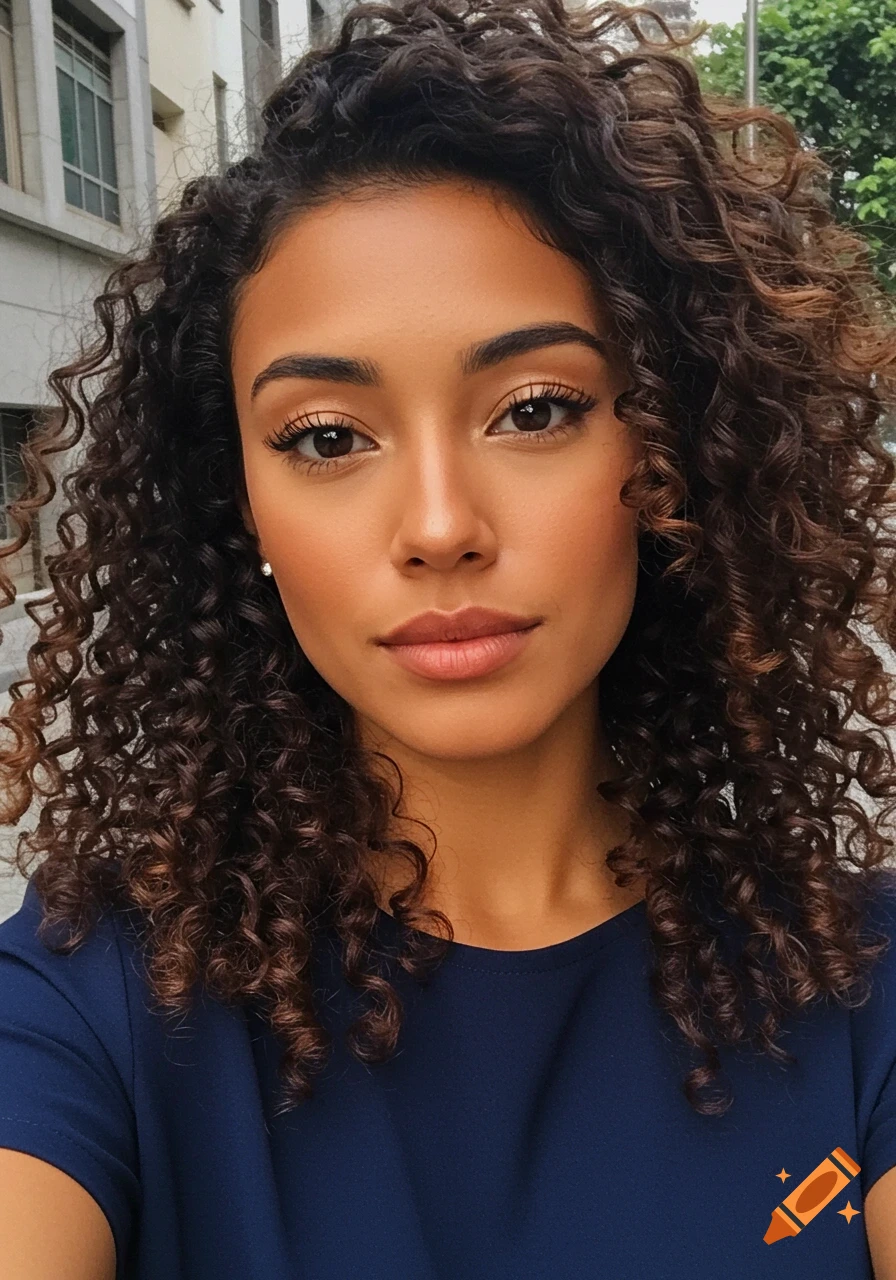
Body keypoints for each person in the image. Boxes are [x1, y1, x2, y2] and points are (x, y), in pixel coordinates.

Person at [1, 0, 896, 1275]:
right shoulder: (87, 1007)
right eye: (326, 436)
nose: (437, 526)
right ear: (239, 501)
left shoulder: (859, 981)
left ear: (668, 452)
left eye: (533, 409)